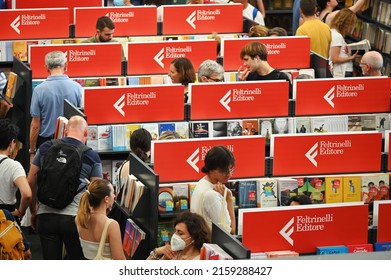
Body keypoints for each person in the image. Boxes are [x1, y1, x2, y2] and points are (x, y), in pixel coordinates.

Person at [28, 116, 102, 260]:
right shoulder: (91, 156)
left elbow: (31, 180)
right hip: (75, 219)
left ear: (66, 130)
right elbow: (97, 192)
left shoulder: (45, 148)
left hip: (46, 216)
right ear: (86, 132)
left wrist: (34, 210)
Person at [29, 50, 82, 158]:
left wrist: (32, 151)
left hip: (46, 144)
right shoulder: (77, 88)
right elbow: (81, 118)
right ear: (66, 65)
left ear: (46, 67)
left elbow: (35, 124)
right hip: (71, 143)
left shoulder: (39, 90)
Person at [190, 146, 236, 234]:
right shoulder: (211, 195)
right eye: (224, 170)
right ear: (212, 169)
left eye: (231, 169)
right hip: (211, 245)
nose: (229, 174)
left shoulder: (202, 182)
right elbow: (230, 232)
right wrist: (229, 199)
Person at [75, 179, 125, 260]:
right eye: (113, 193)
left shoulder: (79, 219)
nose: (114, 196)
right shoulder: (111, 225)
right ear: (106, 199)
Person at [0, 119, 31, 220]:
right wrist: (20, 212)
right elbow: (27, 194)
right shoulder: (14, 166)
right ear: (12, 143)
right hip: (6, 217)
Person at [329, 8, 358, 78]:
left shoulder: (331, 32)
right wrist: (351, 58)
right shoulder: (337, 36)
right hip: (342, 71)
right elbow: (334, 58)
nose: (351, 28)